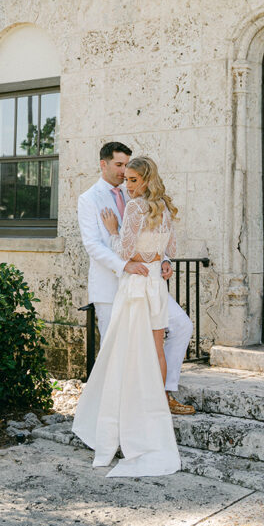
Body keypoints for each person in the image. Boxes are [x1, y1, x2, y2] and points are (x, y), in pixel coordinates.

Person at [73, 156, 182, 477]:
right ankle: (155, 407)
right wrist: (161, 261)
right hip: (155, 283)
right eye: (127, 179)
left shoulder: (135, 208)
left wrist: (112, 229)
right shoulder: (163, 205)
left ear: (146, 180)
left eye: (133, 179)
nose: (127, 184)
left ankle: (126, 408)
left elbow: (124, 250)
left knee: (126, 347)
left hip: (136, 282)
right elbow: (170, 248)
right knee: (156, 345)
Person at [75, 142, 195, 415]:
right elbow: (93, 245)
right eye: (118, 165)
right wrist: (125, 265)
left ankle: (164, 394)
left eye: (127, 166)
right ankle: (111, 412)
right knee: (113, 349)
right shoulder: (89, 199)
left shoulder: (137, 190)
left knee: (182, 326)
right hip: (111, 286)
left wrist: (164, 260)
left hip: (146, 283)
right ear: (103, 164)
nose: (123, 172)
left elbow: (153, 233)